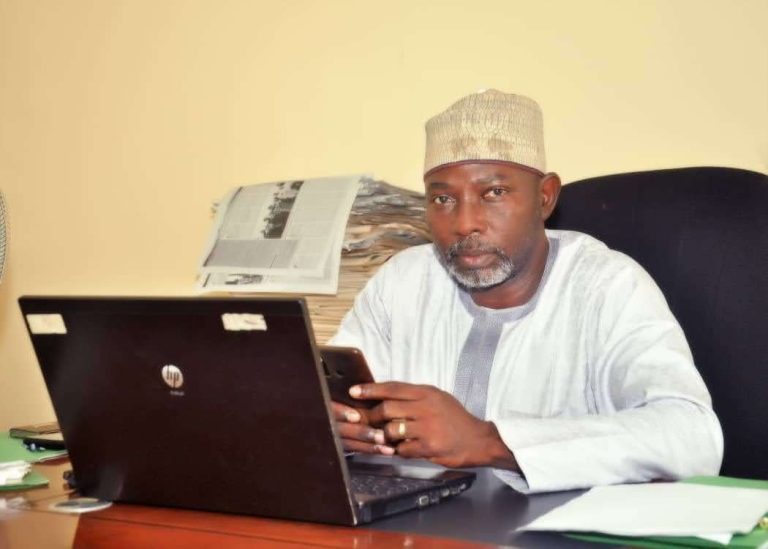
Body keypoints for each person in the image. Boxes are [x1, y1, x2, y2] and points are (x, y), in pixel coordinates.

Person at [329, 89, 723, 493]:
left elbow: (691, 438)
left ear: (545, 197)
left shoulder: (606, 285)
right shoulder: (403, 281)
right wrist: (340, 428)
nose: (465, 223)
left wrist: (490, 441)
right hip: (419, 520)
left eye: (494, 193)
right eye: (443, 198)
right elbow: (333, 400)